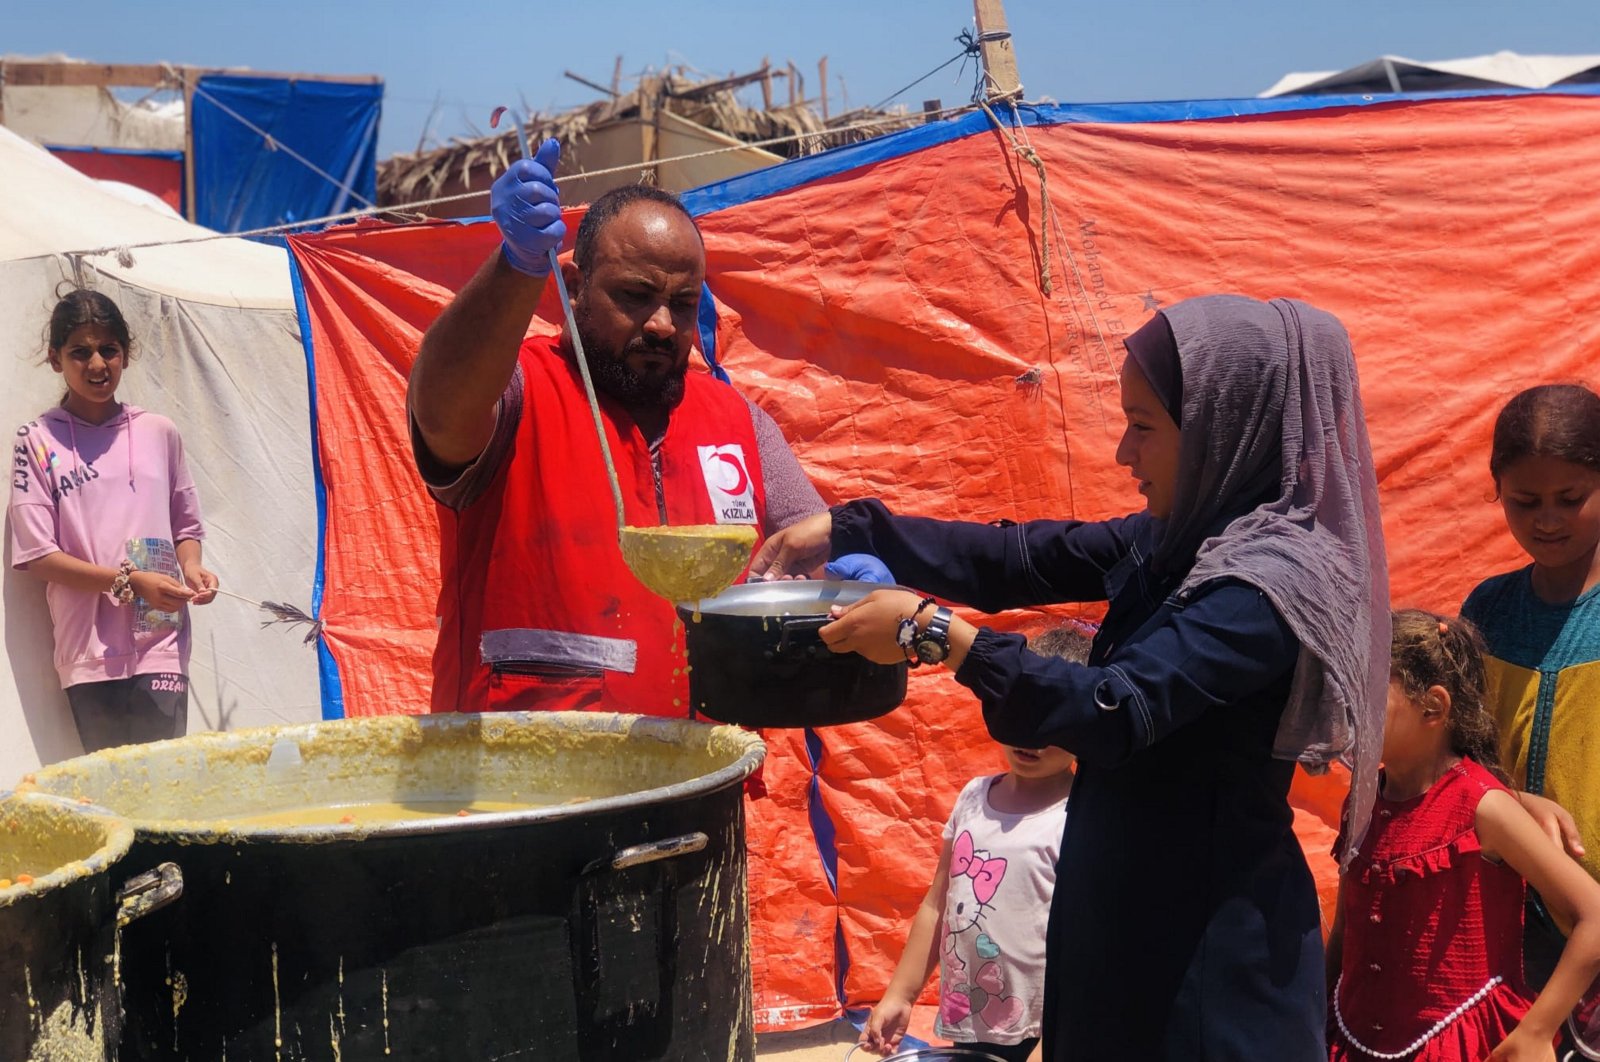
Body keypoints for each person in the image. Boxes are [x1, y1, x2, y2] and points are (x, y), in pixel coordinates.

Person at [753, 294, 1391, 1060]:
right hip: (1125, 933)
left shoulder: (1265, 591)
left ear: (1223, 433)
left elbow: (1111, 709)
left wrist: (932, 632)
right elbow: (1016, 558)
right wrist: (852, 527)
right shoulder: (1172, 545)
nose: (1124, 454)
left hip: (1210, 972)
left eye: (1144, 428)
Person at [408, 141, 826, 715]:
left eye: (682, 303)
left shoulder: (740, 423)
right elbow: (439, 411)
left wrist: (842, 571)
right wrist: (516, 265)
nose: (661, 324)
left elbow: (809, 554)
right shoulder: (516, 392)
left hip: (701, 778)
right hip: (524, 779)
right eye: (635, 295)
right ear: (575, 285)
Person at [1326, 609, 1600, 1061]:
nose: (1349, 711)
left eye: (1369, 695)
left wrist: (1535, 1032)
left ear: (1433, 707)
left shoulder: (1484, 808)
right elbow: (1346, 932)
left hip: (1460, 1048)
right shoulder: (1360, 799)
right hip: (1353, 1041)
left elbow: (1592, 914)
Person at [860, 625, 1089, 1062]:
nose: (1031, 735)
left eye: (1052, 719)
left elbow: (1091, 941)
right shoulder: (973, 798)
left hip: (1045, 1032)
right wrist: (901, 995)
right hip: (973, 1017)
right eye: (1021, 712)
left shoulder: (1080, 817)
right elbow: (938, 902)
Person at [8, 289, 217, 751]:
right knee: (118, 792)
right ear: (54, 358)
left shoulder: (159, 432)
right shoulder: (36, 441)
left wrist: (194, 567)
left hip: (160, 640)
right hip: (88, 650)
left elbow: (186, 526)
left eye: (109, 349)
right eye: (79, 352)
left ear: (126, 353)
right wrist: (129, 580)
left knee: (164, 784)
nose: (97, 364)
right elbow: (38, 555)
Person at [1461, 383, 1600, 1048]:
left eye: (1570, 499)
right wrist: (1510, 799)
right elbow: (1458, 757)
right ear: (1497, 491)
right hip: (1513, 924)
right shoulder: (1488, 610)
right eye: (1525, 501)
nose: (1548, 519)